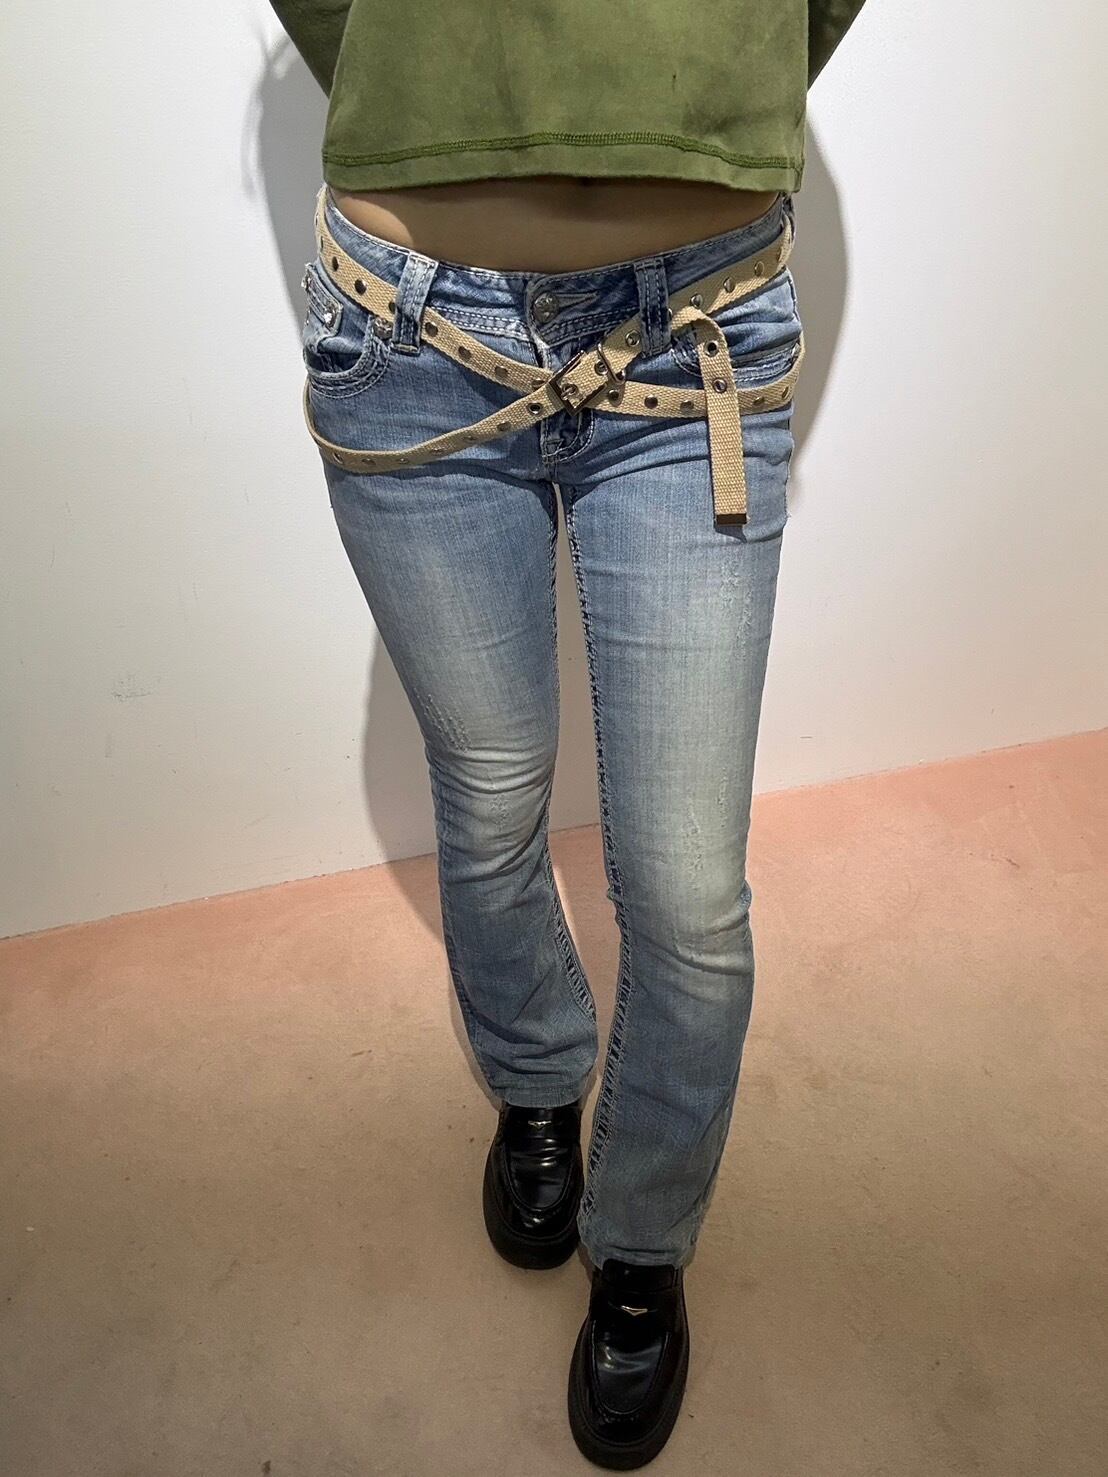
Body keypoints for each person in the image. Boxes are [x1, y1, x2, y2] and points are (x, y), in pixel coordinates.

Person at [268, 2, 866, 1467]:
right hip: (407, 325)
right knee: (489, 787)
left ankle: (645, 1236)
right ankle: (537, 1078)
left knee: (686, 888)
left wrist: (707, 76)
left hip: (698, 328)